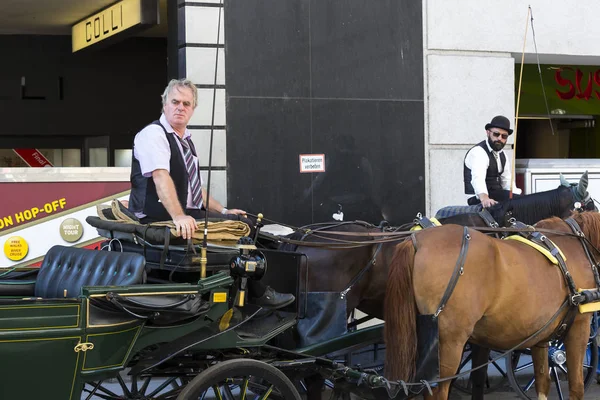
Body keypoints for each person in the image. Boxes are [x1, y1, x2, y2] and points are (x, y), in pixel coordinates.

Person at [128, 78, 294, 309]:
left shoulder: (185, 141)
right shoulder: (153, 135)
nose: (180, 107)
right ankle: (259, 295)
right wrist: (178, 216)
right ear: (164, 103)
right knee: (240, 229)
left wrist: (224, 210)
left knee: (244, 220)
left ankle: (243, 295)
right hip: (156, 215)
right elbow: (160, 177)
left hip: (184, 212)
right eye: (175, 101)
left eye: (186, 104)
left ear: (193, 109)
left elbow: (196, 190)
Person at [464, 115, 522, 207]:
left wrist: (518, 197)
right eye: (496, 134)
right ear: (488, 133)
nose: (499, 138)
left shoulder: (503, 155)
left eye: (504, 136)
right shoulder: (479, 152)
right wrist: (484, 198)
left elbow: (507, 181)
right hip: (477, 198)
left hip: (496, 195)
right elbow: (478, 178)